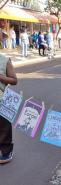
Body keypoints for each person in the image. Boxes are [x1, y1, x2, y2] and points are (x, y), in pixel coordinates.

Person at [0, 28, 18, 164]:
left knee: (4, 127)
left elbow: (14, 80)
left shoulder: (5, 61)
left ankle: (6, 151)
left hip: (1, 99)